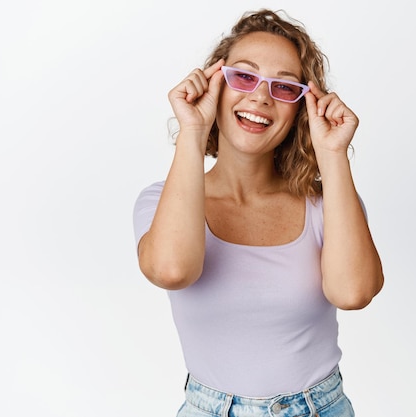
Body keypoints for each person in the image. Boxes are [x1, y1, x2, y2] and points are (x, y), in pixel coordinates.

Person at [133, 8, 384, 417]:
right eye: (244, 77)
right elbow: (171, 270)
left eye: (285, 88)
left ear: (302, 107)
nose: (261, 97)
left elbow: (354, 293)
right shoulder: (159, 201)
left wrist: (333, 153)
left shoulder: (327, 204)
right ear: (215, 85)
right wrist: (193, 131)